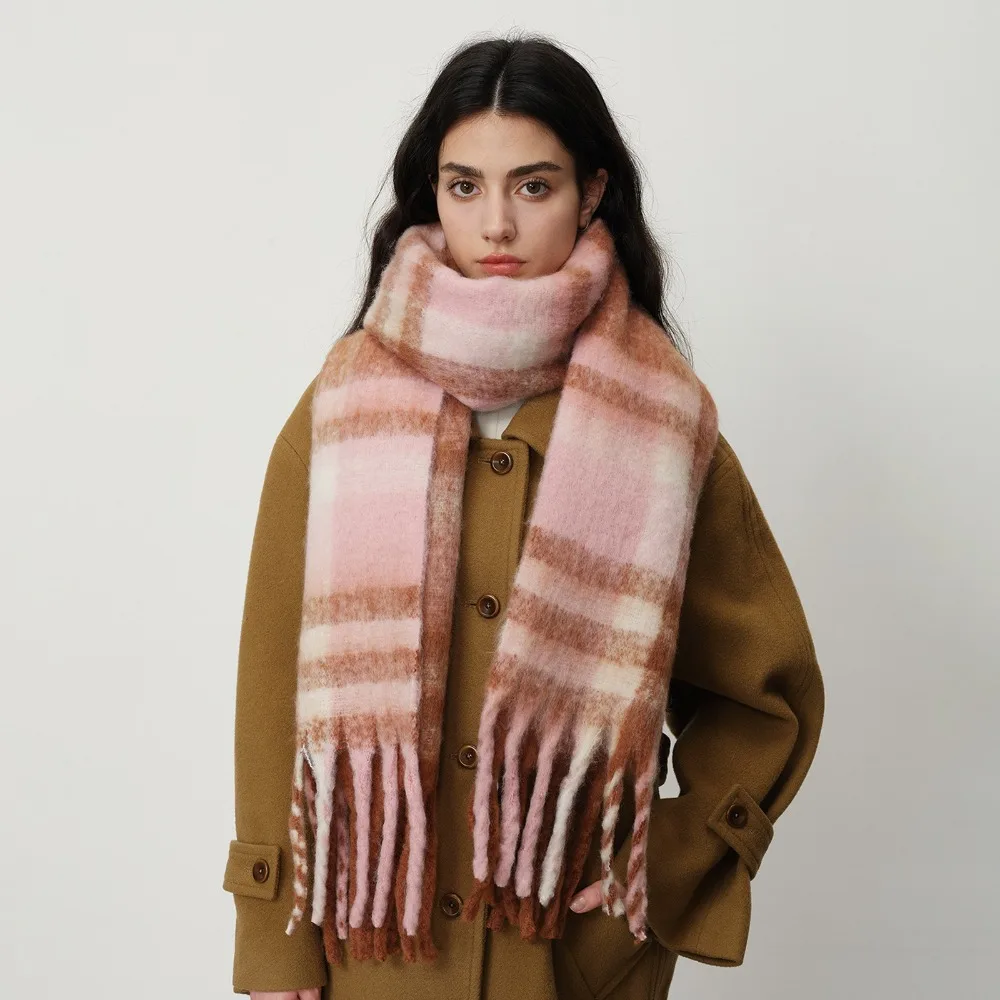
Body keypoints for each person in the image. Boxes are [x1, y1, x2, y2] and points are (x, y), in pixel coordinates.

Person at [222, 32, 824, 1000]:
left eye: (532, 186)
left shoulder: (662, 422)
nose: (496, 223)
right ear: (432, 196)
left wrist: (666, 869)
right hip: (376, 953)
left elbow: (767, 698)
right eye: (465, 186)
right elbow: (272, 685)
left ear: (591, 193)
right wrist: (272, 936)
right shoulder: (343, 404)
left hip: (568, 956)